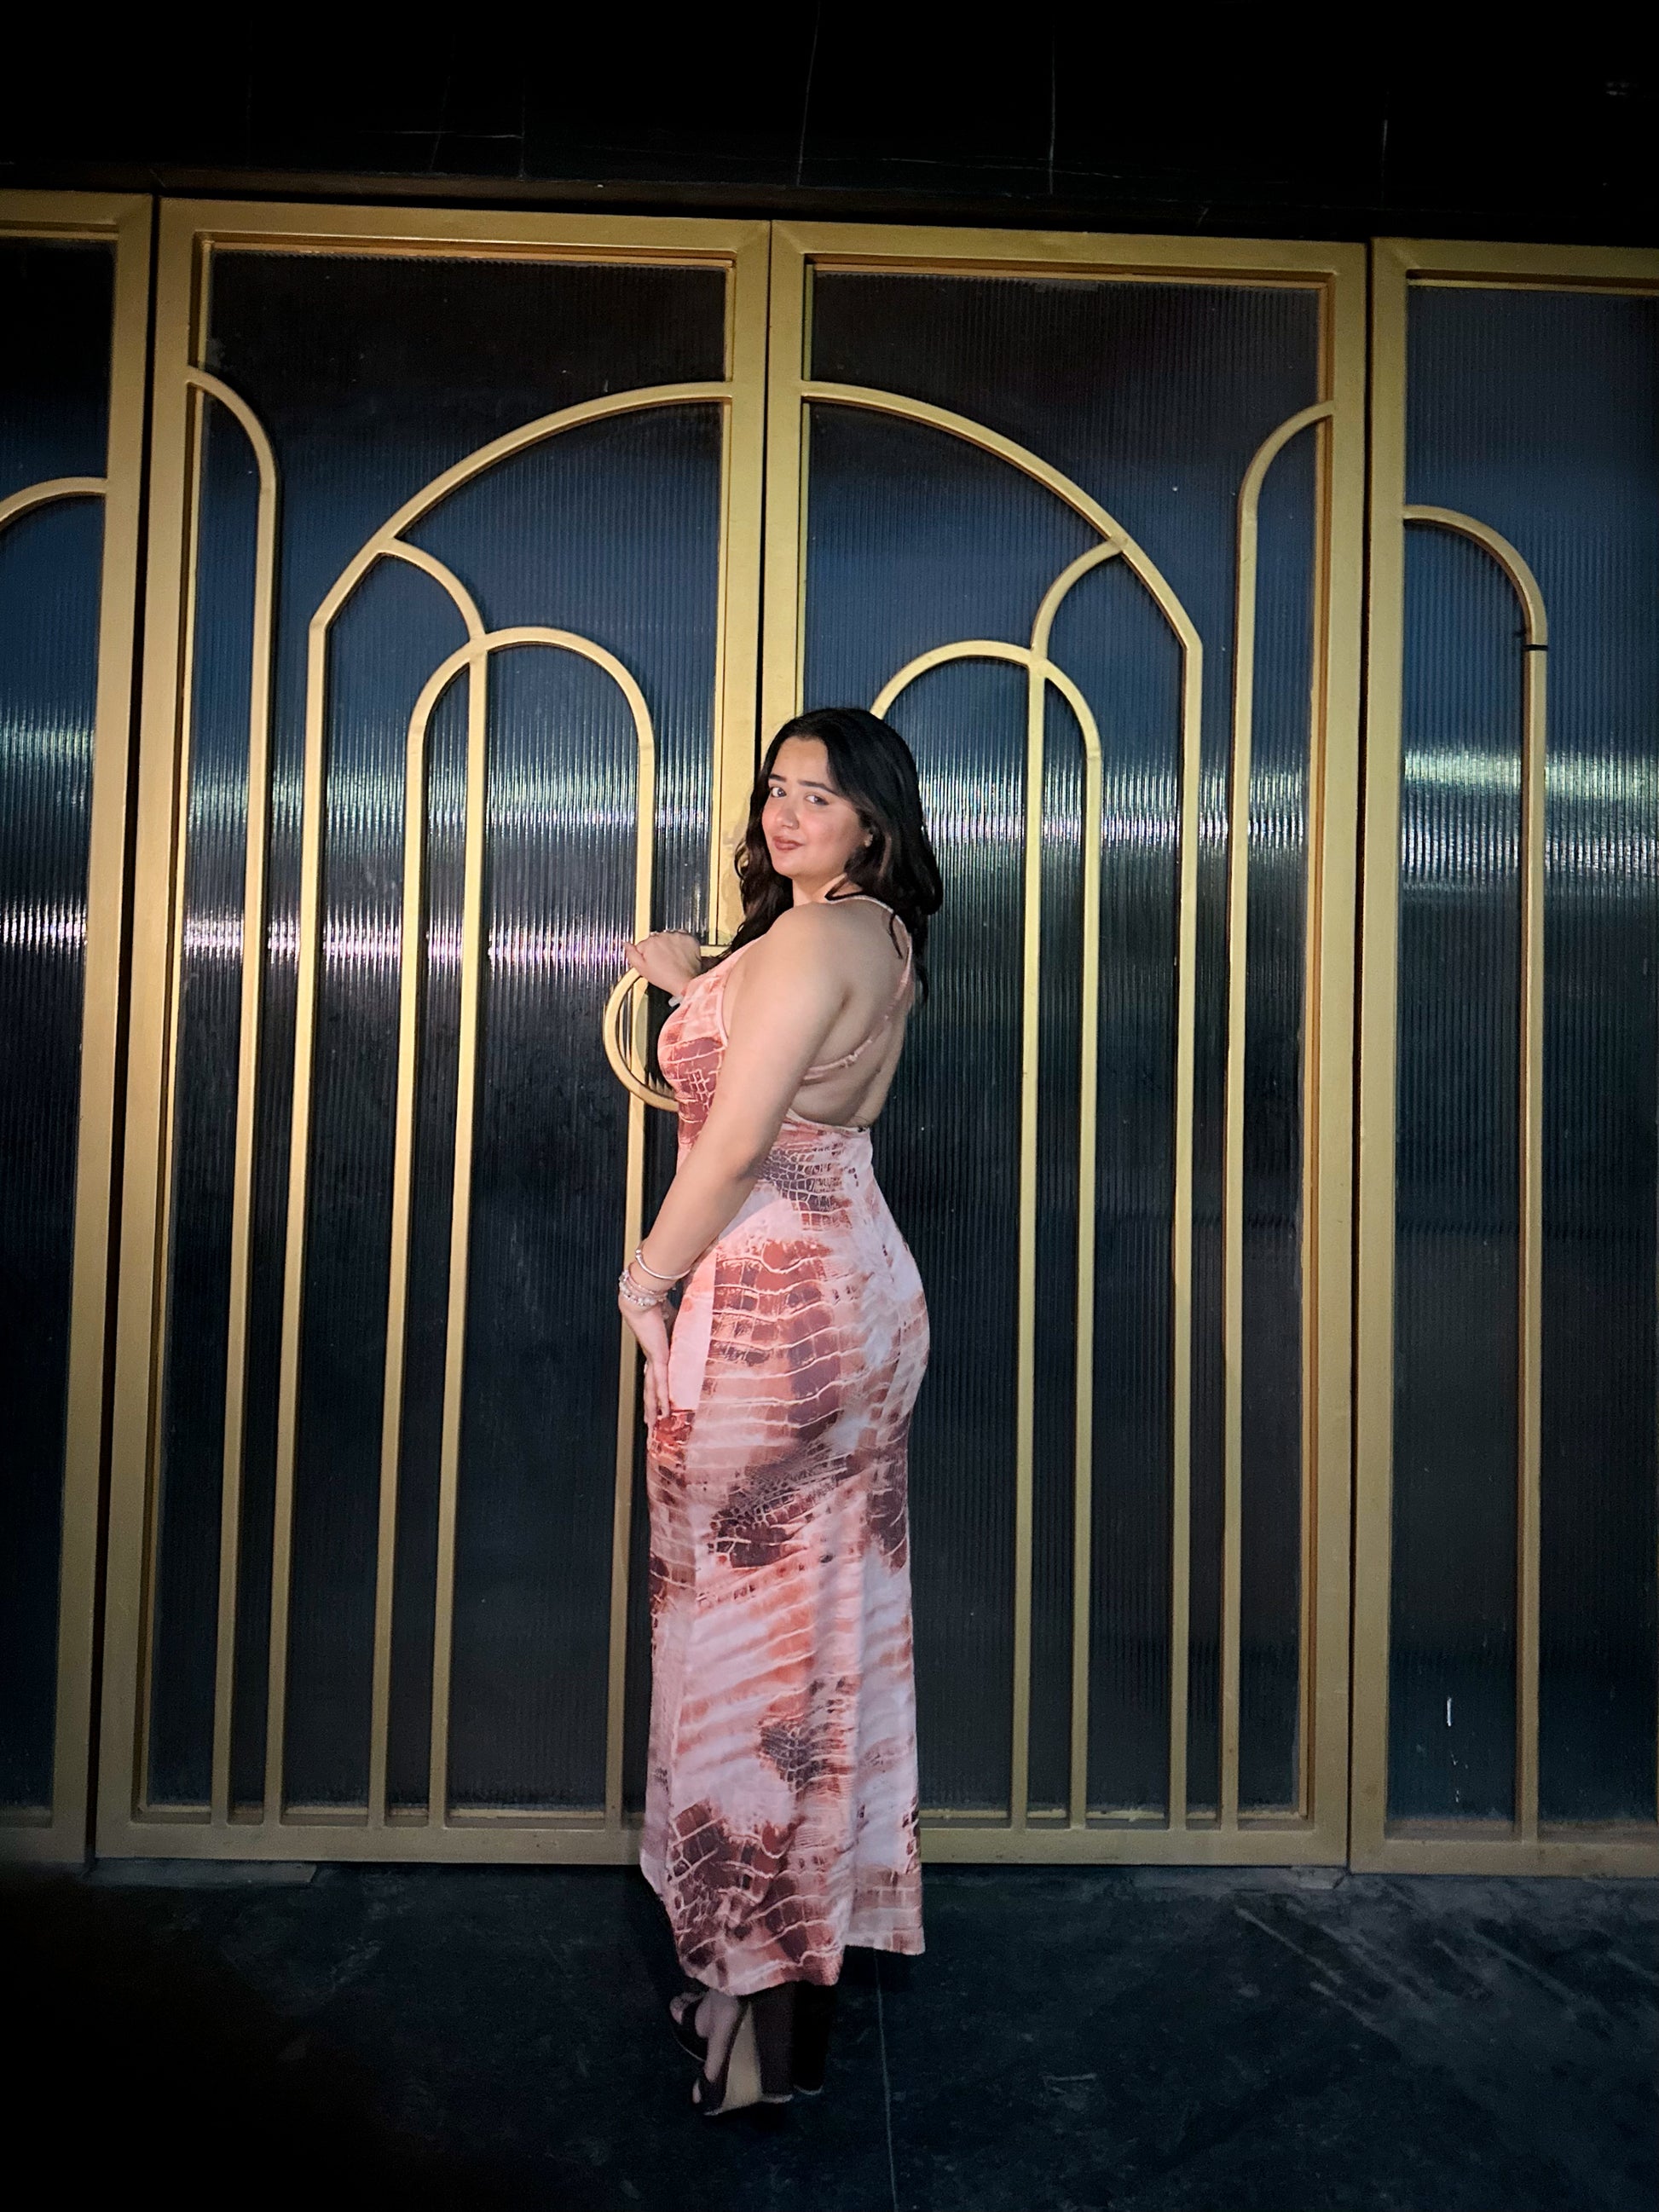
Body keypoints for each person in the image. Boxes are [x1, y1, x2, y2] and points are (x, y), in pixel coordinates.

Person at [617, 707, 942, 2117]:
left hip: (772, 1307)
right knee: (815, 1644)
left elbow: (742, 1137)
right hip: (847, 1287)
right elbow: (793, 1053)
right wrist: (697, 974)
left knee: (749, 1656)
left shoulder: (811, 943)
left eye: (818, 795)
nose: (784, 813)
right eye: (774, 788)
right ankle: (771, 1992)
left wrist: (646, 1279)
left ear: (873, 818)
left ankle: (748, 2011)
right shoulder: (867, 936)